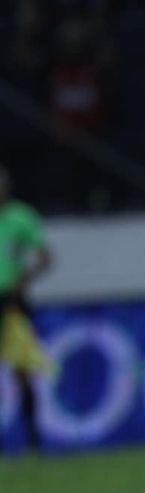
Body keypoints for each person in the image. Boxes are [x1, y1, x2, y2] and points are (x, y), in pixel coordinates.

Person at [0, 165, 52, 451]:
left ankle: (33, 437)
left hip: (11, 302)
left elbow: (45, 257)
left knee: (21, 370)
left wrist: (24, 280)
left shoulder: (20, 217)